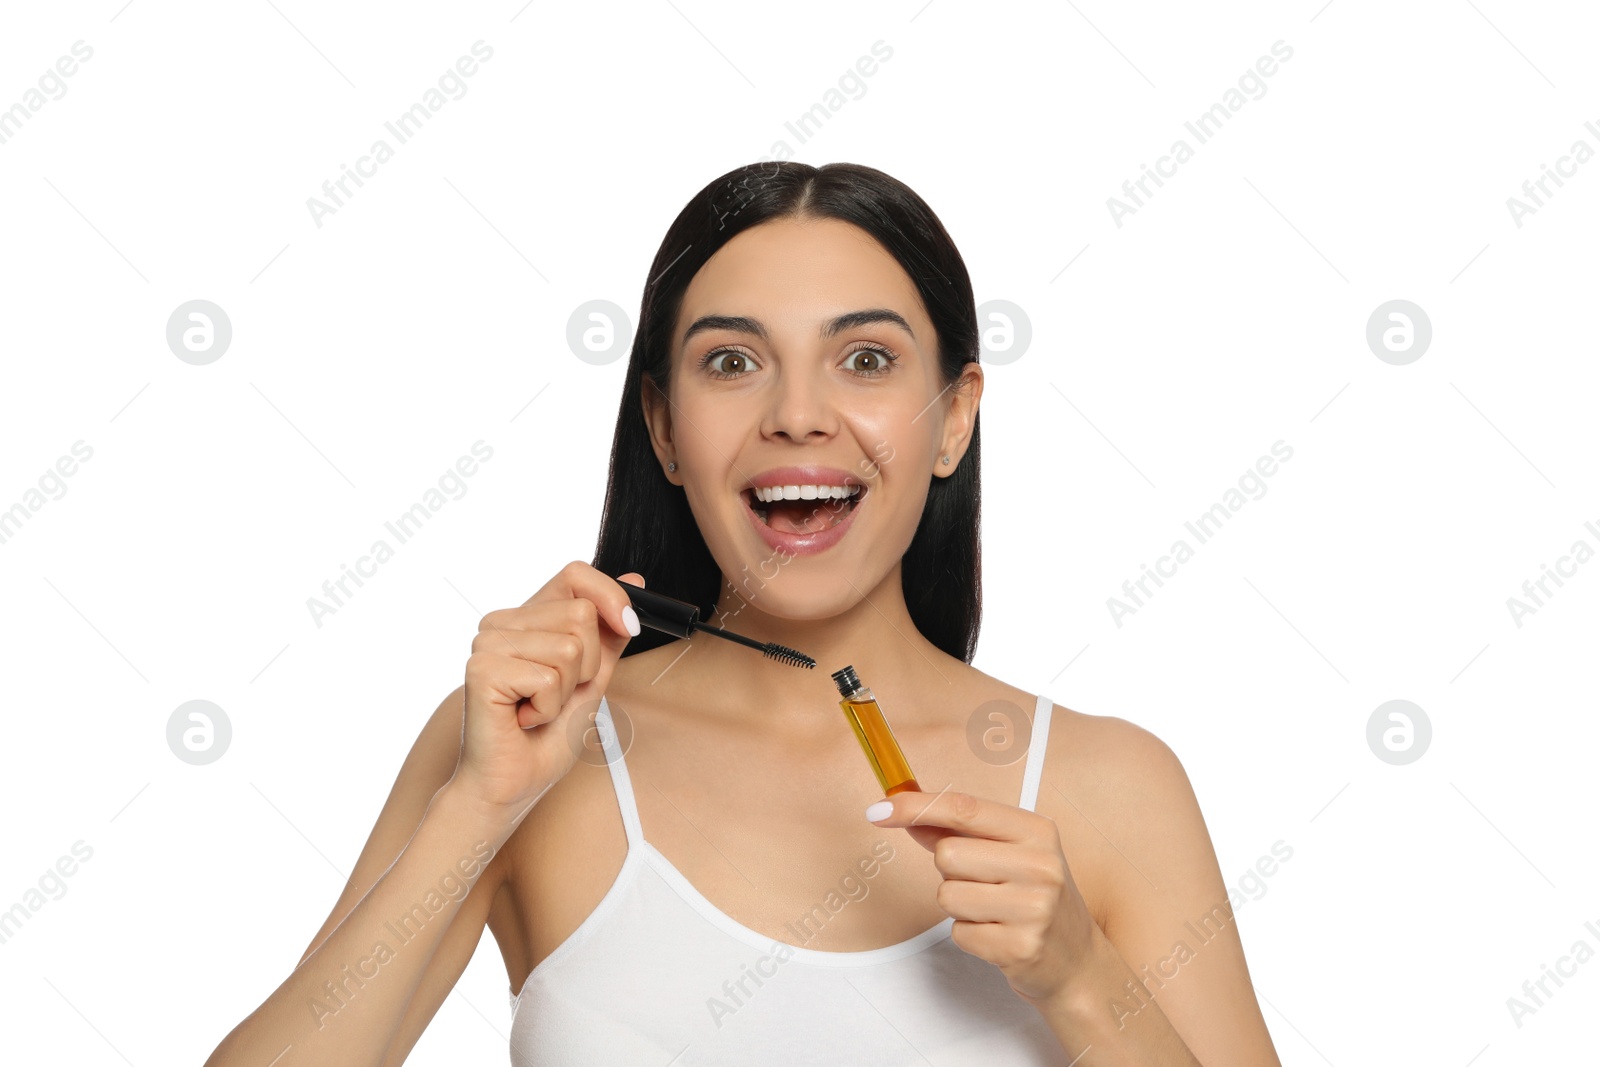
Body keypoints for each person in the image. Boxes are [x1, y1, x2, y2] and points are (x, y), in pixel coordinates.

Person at [204, 161, 1282, 1065]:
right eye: (732, 361)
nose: (798, 414)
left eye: (864, 359)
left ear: (953, 419)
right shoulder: (529, 746)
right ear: (665, 429)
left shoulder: (1111, 786)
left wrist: (1083, 979)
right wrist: (476, 808)